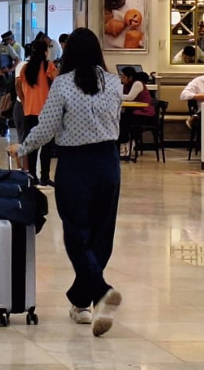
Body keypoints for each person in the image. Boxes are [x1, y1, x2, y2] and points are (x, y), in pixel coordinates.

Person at [10, 27, 123, 336]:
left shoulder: (62, 85)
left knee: (75, 232)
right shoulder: (114, 84)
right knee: (102, 233)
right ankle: (80, 302)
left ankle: (99, 292)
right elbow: (117, 122)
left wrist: (21, 148)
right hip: (108, 163)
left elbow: (46, 129)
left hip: (75, 164)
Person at [15, 39, 58, 182]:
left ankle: (32, 176)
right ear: (45, 52)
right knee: (47, 146)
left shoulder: (25, 68)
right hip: (46, 112)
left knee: (32, 145)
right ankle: (45, 177)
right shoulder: (48, 66)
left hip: (29, 111)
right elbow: (58, 83)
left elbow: (18, 85)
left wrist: (25, 101)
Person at [119, 67, 156, 158]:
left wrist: (114, 95)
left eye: (123, 77)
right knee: (121, 118)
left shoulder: (137, 83)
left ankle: (127, 143)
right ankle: (124, 143)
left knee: (124, 120)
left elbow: (130, 97)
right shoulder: (126, 85)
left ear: (130, 77)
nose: (121, 79)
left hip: (146, 114)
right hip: (136, 112)